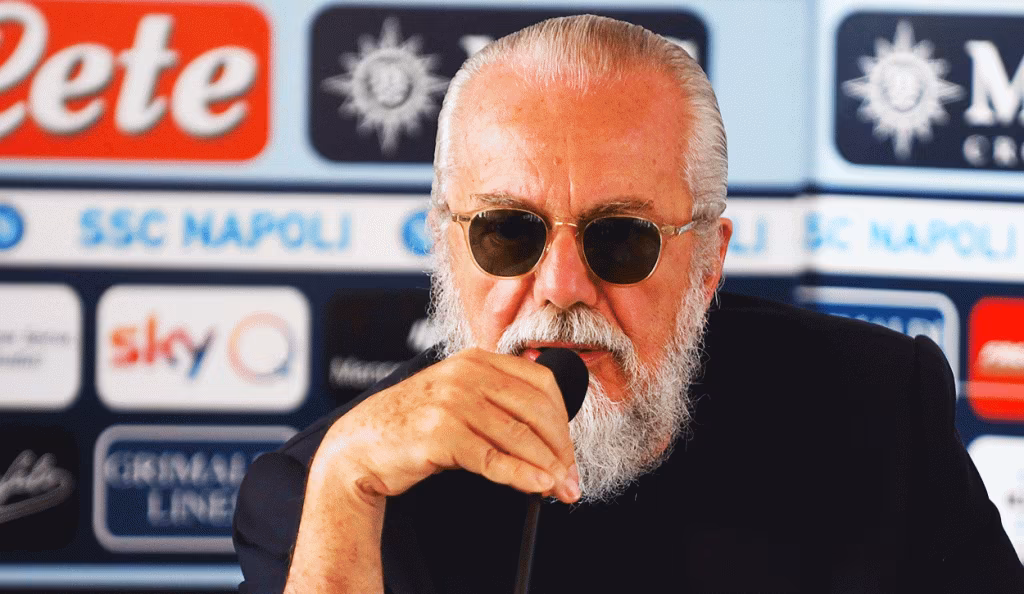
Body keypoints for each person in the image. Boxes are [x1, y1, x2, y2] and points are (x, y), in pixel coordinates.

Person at [233, 15, 1024, 593]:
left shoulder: (878, 406)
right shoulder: (330, 488)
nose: (562, 285)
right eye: (509, 232)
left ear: (707, 263)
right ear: (448, 249)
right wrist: (344, 490)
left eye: (620, 239)